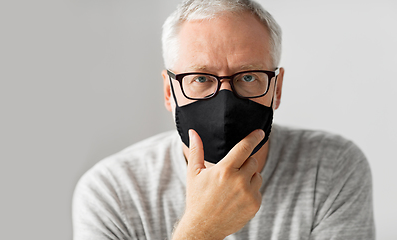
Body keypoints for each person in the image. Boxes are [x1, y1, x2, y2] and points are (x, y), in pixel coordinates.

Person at [72, 0, 375, 239]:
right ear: (169, 92)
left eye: (248, 76)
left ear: (277, 89)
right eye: (201, 78)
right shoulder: (113, 191)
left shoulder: (331, 167)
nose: (225, 102)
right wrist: (202, 230)